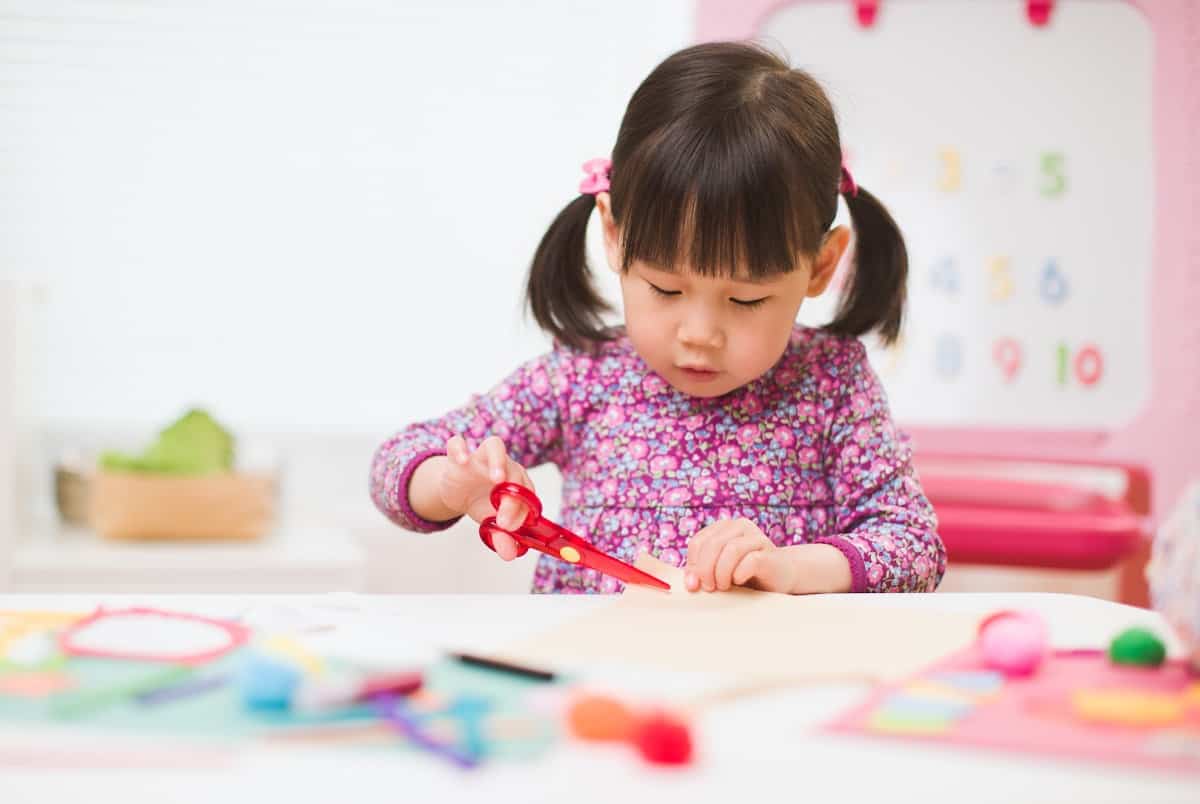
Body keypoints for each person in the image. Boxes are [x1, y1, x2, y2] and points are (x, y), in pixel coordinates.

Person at [370, 42, 945, 595]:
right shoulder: (581, 379)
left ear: (821, 266)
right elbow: (396, 461)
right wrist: (449, 484)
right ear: (616, 235)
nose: (699, 333)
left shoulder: (831, 384)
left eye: (745, 301)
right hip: (595, 682)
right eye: (666, 288)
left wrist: (789, 568)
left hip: (765, 686)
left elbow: (914, 546)